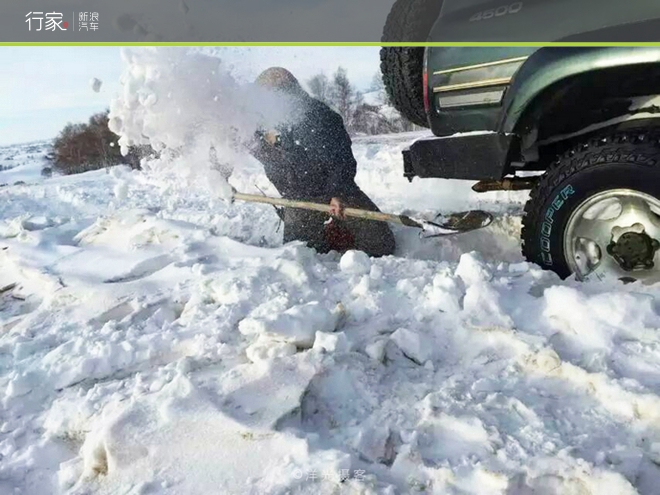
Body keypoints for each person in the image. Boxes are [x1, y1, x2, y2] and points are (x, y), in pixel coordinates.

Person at [248, 67, 396, 258]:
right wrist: (220, 175)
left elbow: (341, 157)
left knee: (381, 245)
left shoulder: (317, 115)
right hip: (299, 199)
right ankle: (325, 233)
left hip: (335, 190)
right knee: (302, 253)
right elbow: (232, 142)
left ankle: (341, 228)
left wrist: (338, 192)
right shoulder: (258, 123)